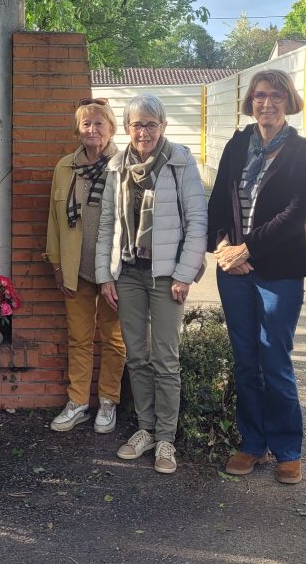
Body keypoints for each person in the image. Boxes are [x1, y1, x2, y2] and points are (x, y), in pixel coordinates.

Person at [207, 70, 306, 483]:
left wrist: (247, 248)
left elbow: (297, 211)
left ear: (289, 100)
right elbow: (218, 199)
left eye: (275, 96)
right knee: (245, 360)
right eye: (259, 96)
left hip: (279, 272)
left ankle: (288, 449)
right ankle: (252, 444)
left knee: (274, 358)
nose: (266, 103)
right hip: (233, 270)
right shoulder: (237, 145)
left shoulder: (304, 151)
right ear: (249, 101)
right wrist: (222, 248)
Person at [96, 94, 207, 474]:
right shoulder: (116, 166)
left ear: (162, 126)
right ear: (126, 128)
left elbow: (197, 223)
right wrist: (104, 276)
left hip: (165, 276)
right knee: (137, 355)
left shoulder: (179, 162)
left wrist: (183, 273)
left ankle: (165, 440)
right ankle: (145, 428)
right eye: (137, 125)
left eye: (151, 124)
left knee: (165, 357)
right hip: (127, 273)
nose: (143, 132)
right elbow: (107, 225)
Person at [44, 97, 126, 433]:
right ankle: (77, 402)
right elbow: (54, 220)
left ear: (110, 128)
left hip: (114, 270)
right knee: (78, 338)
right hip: (76, 268)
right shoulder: (65, 167)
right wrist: (57, 265)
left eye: (99, 123)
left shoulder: (124, 165)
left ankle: (108, 402)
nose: (93, 129)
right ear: (79, 129)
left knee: (114, 338)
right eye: (86, 124)